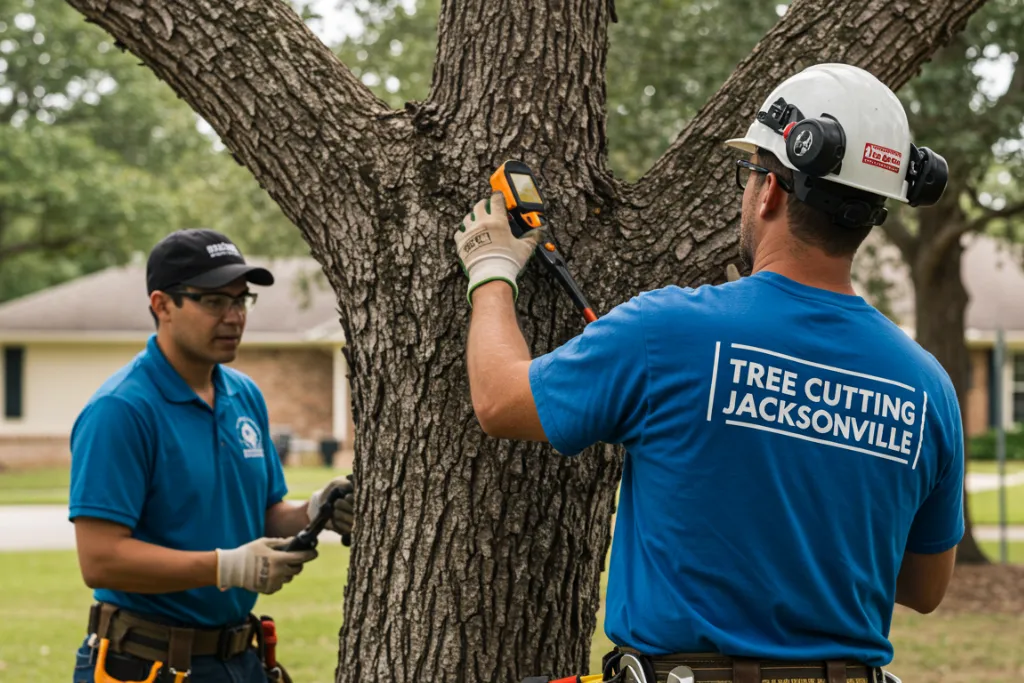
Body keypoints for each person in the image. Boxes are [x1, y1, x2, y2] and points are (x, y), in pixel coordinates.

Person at [454, 64, 963, 682]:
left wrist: (491, 272)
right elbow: (925, 585)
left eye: (750, 173)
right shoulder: (928, 387)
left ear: (771, 190)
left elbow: (501, 400)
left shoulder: (668, 332)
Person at [69, 228, 355, 683]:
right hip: (147, 664)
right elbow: (100, 560)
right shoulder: (121, 410)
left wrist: (313, 510)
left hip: (240, 658)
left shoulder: (244, 396)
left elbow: (262, 514)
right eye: (213, 301)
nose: (234, 316)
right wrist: (229, 567)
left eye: (241, 300)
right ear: (162, 305)